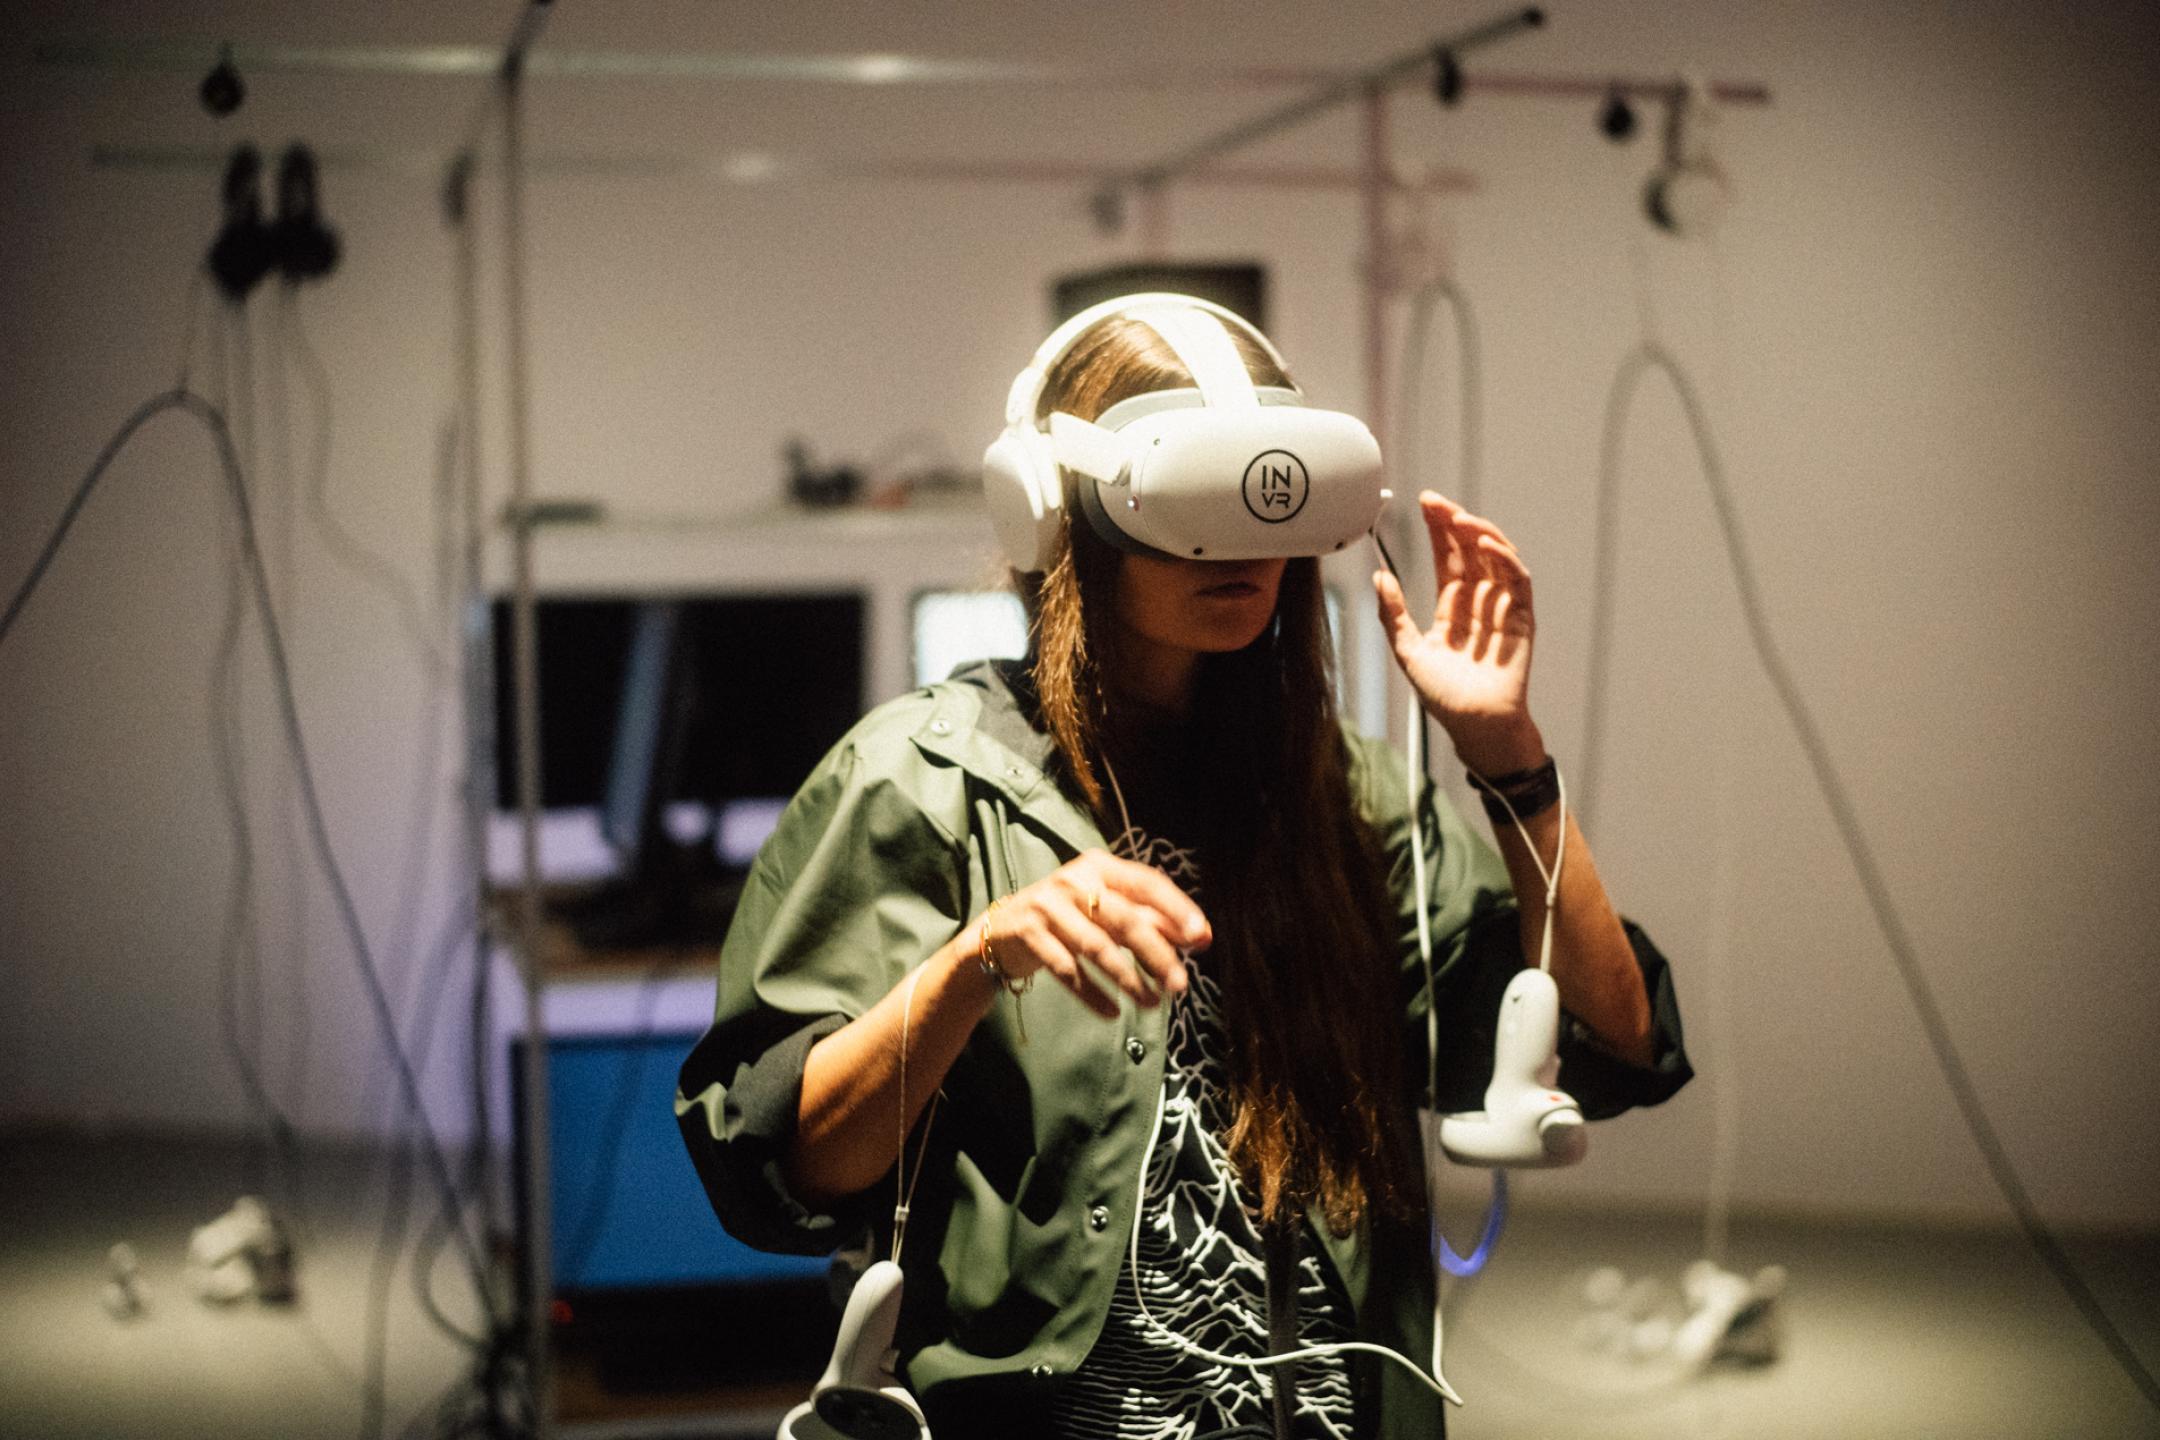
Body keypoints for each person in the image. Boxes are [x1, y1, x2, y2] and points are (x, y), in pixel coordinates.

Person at [676, 299, 1691, 1440]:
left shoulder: (1345, 799)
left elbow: (1614, 1043)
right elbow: (786, 1167)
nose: (1248, 550)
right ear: (1057, 515)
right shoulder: (917, 781)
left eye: (1278, 501)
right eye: (1193, 505)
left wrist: (1508, 759)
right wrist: (976, 963)